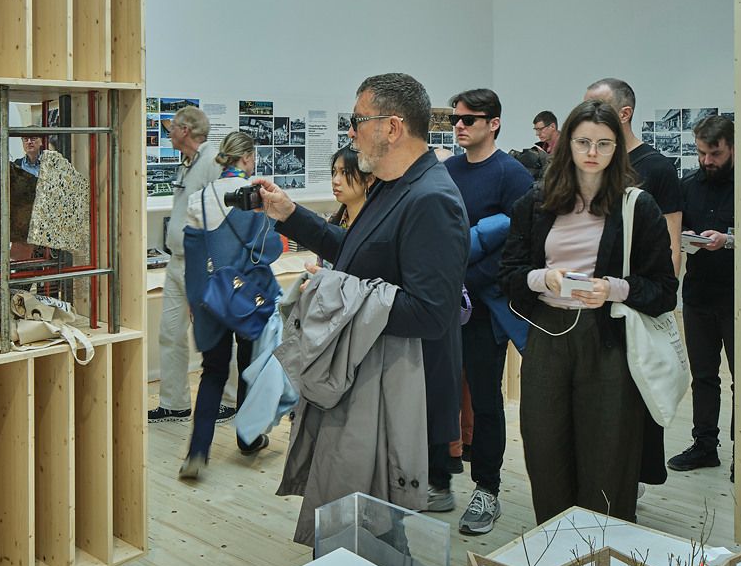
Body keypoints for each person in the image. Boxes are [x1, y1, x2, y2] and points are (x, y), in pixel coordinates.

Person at [253, 73, 469, 531]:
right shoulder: (392, 186)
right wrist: (291, 215)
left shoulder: (432, 198)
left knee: (377, 531)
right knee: (353, 520)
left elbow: (432, 313)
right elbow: (356, 255)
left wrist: (334, 292)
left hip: (394, 389)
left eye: (357, 121)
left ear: (392, 127)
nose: (350, 133)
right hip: (366, 376)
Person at [498, 100, 676, 523]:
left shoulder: (638, 206)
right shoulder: (537, 202)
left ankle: (604, 558)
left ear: (617, 148)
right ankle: (557, 550)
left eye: (603, 143)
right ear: (567, 145)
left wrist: (611, 289)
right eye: (583, 142)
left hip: (609, 338)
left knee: (608, 456)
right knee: (545, 446)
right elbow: (509, 275)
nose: (592, 152)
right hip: (549, 336)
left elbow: (664, 290)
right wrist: (546, 279)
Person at [440, 88, 534, 535]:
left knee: (484, 398)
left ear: (493, 123)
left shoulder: (511, 175)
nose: (460, 125)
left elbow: (523, 244)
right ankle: (440, 476)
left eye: (469, 119)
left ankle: (487, 490)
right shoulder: (447, 171)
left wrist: (470, 273)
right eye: (456, 118)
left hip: (482, 307)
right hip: (440, 303)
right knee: (437, 393)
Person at [585, 77, 682, 491]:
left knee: (637, 393)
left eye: (597, 106)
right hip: (589, 306)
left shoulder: (656, 168)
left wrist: (653, 298)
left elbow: (672, 248)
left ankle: (632, 481)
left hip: (636, 303)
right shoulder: (586, 167)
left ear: (623, 113)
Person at [178, 131, 272, 478]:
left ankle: (197, 452)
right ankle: (248, 439)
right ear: (246, 158)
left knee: (213, 373)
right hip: (247, 298)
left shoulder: (199, 199)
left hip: (211, 298)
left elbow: (192, 256)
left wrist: (193, 299)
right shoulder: (257, 197)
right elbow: (268, 250)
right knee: (249, 368)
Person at [669, 114, 737, 474]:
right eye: (701, 153)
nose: (707, 161)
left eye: (715, 153)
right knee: (704, 376)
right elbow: (673, 232)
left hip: (737, 299)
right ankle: (704, 446)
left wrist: (728, 241)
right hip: (697, 295)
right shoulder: (687, 185)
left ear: (732, 147)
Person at [153, 106, 220, 422]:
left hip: (201, 264)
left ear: (187, 130)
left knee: (216, 336)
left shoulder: (212, 163)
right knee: (169, 333)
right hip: (176, 262)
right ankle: (174, 402)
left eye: (172, 128)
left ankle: (229, 400)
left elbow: (220, 218)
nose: (168, 133)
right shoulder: (188, 163)